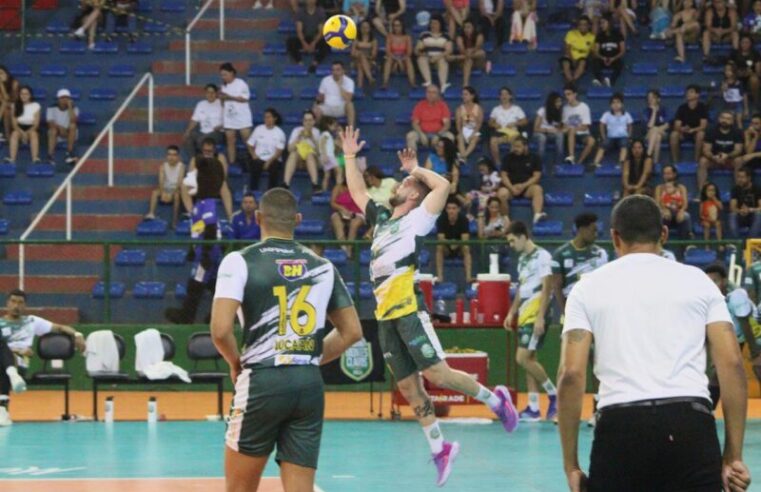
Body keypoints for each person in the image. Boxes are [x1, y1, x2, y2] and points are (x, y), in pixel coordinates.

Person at [341, 126, 519, 487]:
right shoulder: (381, 221)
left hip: (408, 309)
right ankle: (441, 448)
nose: (396, 186)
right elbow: (357, 190)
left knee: (437, 374)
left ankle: (495, 399)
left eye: (402, 186)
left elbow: (443, 187)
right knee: (409, 388)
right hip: (385, 317)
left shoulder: (416, 220)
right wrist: (348, 155)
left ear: (413, 195)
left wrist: (416, 171)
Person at [558, 195, 751, 492]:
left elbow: (570, 375)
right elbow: (733, 365)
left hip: (620, 430)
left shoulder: (586, 288)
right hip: (690, 426)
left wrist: (571, 466)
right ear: (663, 233)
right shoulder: (699, 282)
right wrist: (732, 456)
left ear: (614, 237)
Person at [211, 188, 363, 492]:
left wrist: (234, 363)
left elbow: (219, 330)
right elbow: (352, 332)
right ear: (298, 220)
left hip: (262, 380)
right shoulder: (323, 266)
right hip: (307, 383)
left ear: (257, 218)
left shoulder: (239, 261)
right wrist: (310, 358)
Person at [167, 138, 234, 324]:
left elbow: (211, 228)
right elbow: (198, 228)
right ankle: (228, 316)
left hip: (208, 251)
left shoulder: (208, 203)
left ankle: (187, 316)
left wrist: (205, 252)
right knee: (215, 285)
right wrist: (193, 247)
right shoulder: (199, 204)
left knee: (195, 284)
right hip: (203, 249)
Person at [0, 289, 85, 426]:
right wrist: (18, 349)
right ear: (7, 303)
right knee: (2, 347)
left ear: (25, 306)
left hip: (20, 364)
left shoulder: (32, 321)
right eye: (13, 301)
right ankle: (11, 375)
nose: (16, 306)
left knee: (3, 365)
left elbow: (60, 328)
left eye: (20, 303)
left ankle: (3, 409)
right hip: (10, 359)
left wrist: (77, 335)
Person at [504, 220, 557, 422]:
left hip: (537, 311)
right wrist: (512, 312)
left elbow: (547, 288)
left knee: (522, 358)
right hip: (525, 312)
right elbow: (521, 288)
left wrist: (541, 317)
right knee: (529, 361)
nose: (510, 245)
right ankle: (533, 408)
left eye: (512, 241)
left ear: (523, 237)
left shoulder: (543, 256)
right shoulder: (522, 260)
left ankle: (554, 395)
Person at [705, 265, 761, 402]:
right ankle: (709, 409)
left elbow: (745, 324)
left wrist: (755, 352)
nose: (712, 285)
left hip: (754, 335)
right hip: (736, 337)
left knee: (759, 368)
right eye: (709, 281)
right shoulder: (711, 298)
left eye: (715, 281)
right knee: (717, 375)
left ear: (724, 280)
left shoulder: (736, 296)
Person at [550, 212, 608, 319]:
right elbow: (557, 286)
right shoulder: (560, 254)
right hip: (571, 306)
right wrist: (566, 312)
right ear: (582, 230)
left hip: (594, 308)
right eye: (593, 230)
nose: (596, 234)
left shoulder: (601, 254)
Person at [497, 136, 546, 223]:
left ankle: (537, 215)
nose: (515, 149)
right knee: (501, 193)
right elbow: (503, 176)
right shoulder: (507, 158)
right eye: (514, 146)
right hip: (510, 188)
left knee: (538, 189)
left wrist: (523, 186)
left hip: (527, 188)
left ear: (525, 147)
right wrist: (511, 188)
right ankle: (505, 219)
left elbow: (536, 176)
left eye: (518, 146)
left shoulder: (535, 158)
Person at [698, 110, 744, 192]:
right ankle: (702, 192)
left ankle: (739, 191)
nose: (725, 120)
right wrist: (713, 157)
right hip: (714, 159)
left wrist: (727, 156)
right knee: (702, 161)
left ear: (732, 121)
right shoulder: (711, 130)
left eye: (728, 119)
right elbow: (706, 149)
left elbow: (738, 150)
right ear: (719, 119)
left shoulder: (737, 132)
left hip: (730, 159)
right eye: (723, 118)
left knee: (739, 160)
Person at [219, 63, 253, 166]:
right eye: (222, 75)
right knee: (230, 141)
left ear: (232, 73)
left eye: (225, 74)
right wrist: (222, 98)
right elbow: (223, 104)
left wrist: (229, 97)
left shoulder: (241, 83)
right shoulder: (223, 86)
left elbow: (244, 98)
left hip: (242, 117)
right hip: (230, 117)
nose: (223, 77)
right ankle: (232, 162)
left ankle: (254, 158)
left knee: (248, 140)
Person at [145, 145, 185, 229]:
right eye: (169, 154)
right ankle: (151, 213)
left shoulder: (181, 166)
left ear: (178, 156)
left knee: (177, 196)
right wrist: (163, 193)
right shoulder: (163, 166)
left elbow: (179, 183)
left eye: (174, 155)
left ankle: (174, 221)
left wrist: (171, 194)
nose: (171, 157)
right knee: (155, 192)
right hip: (165, 188)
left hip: (176, 189)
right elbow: (161, 181)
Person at [246, 108, 286, 192]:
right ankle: (253, 190)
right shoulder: (258, 129)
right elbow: (250, 144)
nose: (267, 119)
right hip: (258, 158)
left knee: (274, 168)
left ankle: (271, 191)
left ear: (275, 118)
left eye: (269, 117)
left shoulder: (280, 133)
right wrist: (254, 155)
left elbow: (279, 151)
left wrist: (268, 162)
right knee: (255, 165)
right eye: (265, 117)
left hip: (273, 159)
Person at [406, 84, 454, 151]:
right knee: (410, 136)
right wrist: (421, 134)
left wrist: (438, 135)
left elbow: (447, 125)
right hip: (422, 132)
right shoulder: (420, 105)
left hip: (438, 133)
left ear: (438, 95)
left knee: (450, 137)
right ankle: (411, 161)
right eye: (428, 92)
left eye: (433, 92)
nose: (430, 94)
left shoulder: (443, 106)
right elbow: (415, 123)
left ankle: (445, 161)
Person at [183, 84, 224, 161]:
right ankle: (194, 161)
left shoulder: (221, 103)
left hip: (217, 132)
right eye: (208, 92)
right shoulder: (200, 104)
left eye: (212, 92)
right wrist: (188, 131)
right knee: (188, 137)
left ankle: (204, 161)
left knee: (202, 140)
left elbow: (228, 120)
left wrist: (221, 126)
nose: (210, 95)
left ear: (216, 93)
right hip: (202, 132)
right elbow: (194, 120)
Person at [286, 0, 330, 72]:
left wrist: (314, 43)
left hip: (316, 38)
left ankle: (315, 63)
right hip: (304, 38)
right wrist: (304, 43)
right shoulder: (300, 12)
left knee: (327, 43)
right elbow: (299, 30)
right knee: (290, 42)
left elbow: (320, 32)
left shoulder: (320, 12)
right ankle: (300, 62)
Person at [435, 198, 473, 282]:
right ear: (446, 209)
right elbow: (441, 239)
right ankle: (440, 277)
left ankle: (468, 277)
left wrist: (456, 244)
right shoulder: (441, 219)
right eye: (449, 208)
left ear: (458, 209)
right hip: (447, 247)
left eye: (454, 208)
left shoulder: (463, 219)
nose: (451, 211)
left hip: (460, 246)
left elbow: (465, 239)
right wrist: (450, 243)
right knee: (439, 247)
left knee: (466, 247)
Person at [488, 86, 528, 165]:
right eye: (502, 94)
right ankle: (498, 163)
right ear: (499, 97)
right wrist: (495, 124)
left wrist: (515, 123)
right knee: (492, 141)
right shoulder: (496, 109)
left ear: (510, 96)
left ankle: (510, 163)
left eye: (506, 94)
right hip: (500, 133)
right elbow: (490, 122)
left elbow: (525, 121)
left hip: (513, 132)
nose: (504, 96)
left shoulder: (517, 109)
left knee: (516, 141)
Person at [670, 84, 708, 163]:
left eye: (691, 92)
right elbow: (677, 125)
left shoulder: (702, 107)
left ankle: (696, 161)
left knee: (701, 134)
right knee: (674, 134)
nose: (688, 94)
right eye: (687, 92)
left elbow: (703, 126)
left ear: (697, 95)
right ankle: (675, 162)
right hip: (684, 133)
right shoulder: (682, 107)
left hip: (696, 132)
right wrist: (682, 129)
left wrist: (693, 130)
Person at [284, 110, 321, 192]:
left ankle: (315, 184)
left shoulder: (317, 132)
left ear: (314, 121)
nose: (308, 122)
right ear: (303, 121)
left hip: (312, 160)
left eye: (310, 120)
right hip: (298, 161)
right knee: (293, 153)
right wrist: (298, 138)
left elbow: (319, 153)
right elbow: (289, 149)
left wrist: (312, 138)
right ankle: (286, 183)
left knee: (309, 154)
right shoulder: (296, 130)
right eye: (306, 120)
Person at [592, 93, 633, 168]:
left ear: (622, 104)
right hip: (610, 137)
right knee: (603, 144)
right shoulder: (606, 114)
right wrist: (603, 136)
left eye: (618, 102)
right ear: (610, 105)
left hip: (623, 136)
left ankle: (621, 163)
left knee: (624, 144)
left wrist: (629, 136)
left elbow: (630, 125)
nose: (616, 104)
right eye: (613, 102)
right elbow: (601, 125)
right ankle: (595, 162)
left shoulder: (626, 114)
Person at [415, 16, 453, 93]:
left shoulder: (446, 36)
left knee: (443, 60)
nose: (433, 25)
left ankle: (443, 84)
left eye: (435, 23)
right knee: (421, 59)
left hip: (440, 56)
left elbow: (449, 50)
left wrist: (437, 57)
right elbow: (417, 49)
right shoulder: (424, 34)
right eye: (432, 23)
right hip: (427, 56)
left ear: (440, 25)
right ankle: (428, 82)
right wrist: (422, 50)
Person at [654, 164, 693, 239]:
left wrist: (681, 211)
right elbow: (657, 203)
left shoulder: (681, 187)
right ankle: (660, 242)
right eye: (665, 173)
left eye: (669, 173)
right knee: (661, 216)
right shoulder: (659, 188)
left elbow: (685, 203)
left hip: (678, 212)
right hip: (665, 212)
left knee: (686, 216)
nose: (666, 176)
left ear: (674, 174)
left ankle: (686, 244)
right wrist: (664, 209)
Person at [314, 61, 356, 129]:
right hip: (327, 107)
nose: (335, 72)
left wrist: (340, 85)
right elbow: (320, 97)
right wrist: (318, 100)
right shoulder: (325, 80)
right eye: (333, 70)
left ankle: (351, 131)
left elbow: (348, 99)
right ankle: (316, 132)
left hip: (341, 108)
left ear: (343, 71)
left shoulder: (349, 81)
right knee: (316, 109)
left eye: (338, 70)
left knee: (350, 105)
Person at [562, 84, 596, 166]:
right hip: (569, 134)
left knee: (591, 141)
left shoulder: (584, 107)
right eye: (565, 94)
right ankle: (571, 156)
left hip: (582, 133)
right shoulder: (564, 108)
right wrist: (569, 129)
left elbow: (585, 126)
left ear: (575, 94)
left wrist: (574, 128)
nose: (567, 97)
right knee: (571, 130)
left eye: (569, 94)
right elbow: (564, 125)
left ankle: (580, 162)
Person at [6, 86, 40, 164]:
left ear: (30, 95)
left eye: (26, 94)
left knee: (34, 134)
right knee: (14, 134)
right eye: (22, 94)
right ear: (19, 95)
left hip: (31, 128)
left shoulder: (36, 105)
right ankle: (12, 159)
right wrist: (22, 133)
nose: (24, 96)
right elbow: (14, 123)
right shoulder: (14, 105)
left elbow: (36, 124)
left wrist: (27, 132)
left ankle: (35, 158)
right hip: (19, 128)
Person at [330, 182, 364, 257]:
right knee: (335, 219)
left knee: (354, 223)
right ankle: (343, 248)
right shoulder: (338, 187)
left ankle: (349, 250)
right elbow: (332, 203)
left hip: (357, 213)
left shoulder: (362, 187)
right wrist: (342, 209)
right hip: (341, 211)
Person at [46, 88, 79, 165]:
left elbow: (73, 121)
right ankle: (50, 155)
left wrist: (70, 107)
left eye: (67, 97)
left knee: (73, 126)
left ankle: (69, 152)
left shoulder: (75, 108)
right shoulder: (51, 108)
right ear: (58, 99)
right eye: (62, 97)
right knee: (52, 130)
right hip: (56, 131)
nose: (65, 99)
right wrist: (60, 129)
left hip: (69, 133)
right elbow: (50, 123)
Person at [450, 20, 486, 88]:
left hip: (476, 60)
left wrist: (470, 51)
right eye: (465, 27)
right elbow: (461, 49)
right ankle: (465, 84)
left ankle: (466, 84)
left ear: (473, 28)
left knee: (482, 53)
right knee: (469, 60)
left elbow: (477, 47)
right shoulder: (460, 37)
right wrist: (467, 53)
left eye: (468, 27)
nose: (466, 29)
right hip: (464, 61)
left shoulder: (479, 35)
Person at [591, 15, 625, 87]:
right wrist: (602, 58)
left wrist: (614, 58)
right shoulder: (599, 36)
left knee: (620, 64)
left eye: (603, 23)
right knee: (594, 62)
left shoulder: (618, 34)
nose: (601, 25)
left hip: (614, 58)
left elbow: (622, 50)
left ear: (609, 23)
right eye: (600, 23)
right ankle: (600, 80)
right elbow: (596, 51)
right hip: (603, 58)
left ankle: (611, 82)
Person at [560, 16, 595, 84]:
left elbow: (593, 52)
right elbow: (567, 48)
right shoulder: (571, 33)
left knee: (583, 62)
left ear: (588, 26)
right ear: (578, 26)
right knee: (565, 62)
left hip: (582, 59)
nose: (582, 27)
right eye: (580, 24)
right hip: (570, 56)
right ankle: (570, 80)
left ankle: (573, 81)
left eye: (585, 24)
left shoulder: (592, 37)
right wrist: (572, 59)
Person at [382, 18, 416, 89]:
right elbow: (388, 51)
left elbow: (409, 52)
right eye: (394, 26)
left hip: (404, 58)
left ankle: (412, 82)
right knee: (389, 59)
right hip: (392, 58)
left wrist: (401, 60)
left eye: (398, 25)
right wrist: (398, 60)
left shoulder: (407, 37)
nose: (396, 28)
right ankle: (385, 82)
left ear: (402, 26)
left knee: (408, 59)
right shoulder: (390, 36)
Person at [533, 91, 565, 163]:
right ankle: (539, 164)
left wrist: (560, 129)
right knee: (542, 138)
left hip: (552, 134)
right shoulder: (542, 110)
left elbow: (559, 128)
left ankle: (558, 163)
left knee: (560, 135)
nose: (559, 104)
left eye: (560, 101)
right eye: (557, 102)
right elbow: (535, 129)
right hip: (539, 133)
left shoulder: (561, 112)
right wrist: (548, 130)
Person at [729, 166, 761, 238]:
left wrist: (750, 210)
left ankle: (751, 243)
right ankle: (737, 244)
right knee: (732, 215)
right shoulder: (735, 189)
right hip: (740, 215)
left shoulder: (757, 189)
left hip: (753, 216)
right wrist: (740, 211)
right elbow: (732, 208)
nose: (740, 179)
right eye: (738, 177)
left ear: (749, 178)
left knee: (759, 215)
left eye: (742, 177)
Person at [729, 35, 761, 107]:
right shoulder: (734, 53)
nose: (745, 44)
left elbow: (758, 71)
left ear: (751, 44)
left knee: (754, 80)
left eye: (747, 42)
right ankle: (732, 104)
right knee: (730, 78)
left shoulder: (755, 54)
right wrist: (737, 72)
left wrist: (750, 73)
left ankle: (756, 101)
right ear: (740, 43)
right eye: (743, 42)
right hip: (737, 76)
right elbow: (730, 67)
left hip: (750, 77)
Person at [455, 86, 483, 161]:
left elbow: (479, 123)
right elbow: (458, 123)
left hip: (474, 130)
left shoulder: (478, 108)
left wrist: (473, 133)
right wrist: (460, 133)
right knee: (459, 137)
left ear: (472, 96)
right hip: (464, 129)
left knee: (475, 138)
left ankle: (463, 156)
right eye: (463, 94)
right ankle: (464, 157)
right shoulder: (460, 109)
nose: (463, 96)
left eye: (466, 94)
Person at [643, 89, 669, 164]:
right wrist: (654, 112)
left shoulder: (664, 110)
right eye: (648, 98)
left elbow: (667, 125)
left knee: (655, 130)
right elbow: (649, 126)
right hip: (648, 135)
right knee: (657, 137)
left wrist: (656, 129)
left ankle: (648, 155)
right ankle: (655, 162)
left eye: (652, 98)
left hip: (663, 133)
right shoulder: (645, 111)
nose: (650, 100)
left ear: (658, 99)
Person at [318, 116, 342, 192]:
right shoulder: (326, 134)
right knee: (339, 171)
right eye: (333, 125)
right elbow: (322, 144)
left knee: (327, 175)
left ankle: (324, 190)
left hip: (327, 156)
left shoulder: (327, 135)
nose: (335, 128)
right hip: (329, 156)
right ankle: (338, 188)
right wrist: (324, 155)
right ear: (328, 125)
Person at [351, 20, 378, 89]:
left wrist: (366, 56)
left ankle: (359, 86)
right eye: (363, 27)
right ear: (360, 28)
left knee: (361, 65)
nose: (364, 29)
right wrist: (360, 54)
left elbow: (374, 55)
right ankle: (370, 78)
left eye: (366, 27)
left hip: (369, 61)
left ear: (369, 28)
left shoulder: (374, 41)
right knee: (361, 56)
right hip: (356, 60)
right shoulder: (356, 40)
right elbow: (352, 53)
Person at [720, 63, 748, 128]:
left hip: (738, 104)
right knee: (729, 121)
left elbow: (744, 95)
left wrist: (746, 109)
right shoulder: (723, 82)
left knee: (739, 121)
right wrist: (723, 89)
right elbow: (722, 95)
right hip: (728, 104)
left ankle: (741, 136)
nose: (727, 72)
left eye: (729, 70)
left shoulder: (739, 83)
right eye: (726, 70)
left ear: (734, 71)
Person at [0, 65, 19, 144]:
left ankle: (8, 137)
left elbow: (12, 99)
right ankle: (8, 137)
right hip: (4, 108)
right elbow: (3, 99)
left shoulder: (14, 82)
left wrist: (0, 84)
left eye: (1, 73)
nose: (0, 76)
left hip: (16, 105)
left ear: (6, 73)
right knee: (6, 110)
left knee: (6, 107)